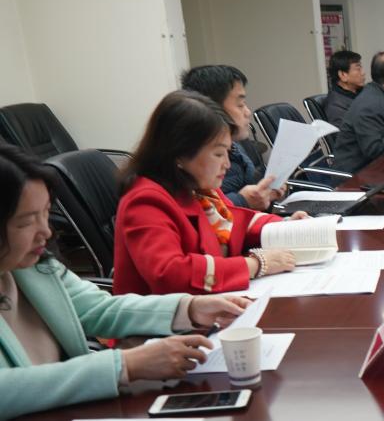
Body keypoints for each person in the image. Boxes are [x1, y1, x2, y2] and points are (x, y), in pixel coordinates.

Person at [0, 143, 252, 417]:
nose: (46, 232)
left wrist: (189, 308)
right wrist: (124, 365)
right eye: (26, 222)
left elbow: (98, 308)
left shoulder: (32, 265)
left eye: (46, 213)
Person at [114, 91, 301, 296]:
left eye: (227, 152)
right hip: (165, 314)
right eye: (218, 154)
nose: (227, 164)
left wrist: (286, 227)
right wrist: (256, 264)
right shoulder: (145, 201)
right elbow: (170, 274)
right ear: (180, 154)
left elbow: (236, 222)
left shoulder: (199, 187)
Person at [180, 65, 283, 211]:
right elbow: (203, 211)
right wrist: (243, 201)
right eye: (240, 105)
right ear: (212, 108)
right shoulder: (200, 161)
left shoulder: (238, 146)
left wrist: (266, 193)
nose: (247, 112)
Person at [324, 50, 365, 128]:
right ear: (343, 75)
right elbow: (345, 134)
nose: (363, 73)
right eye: (358, 68)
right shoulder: (336, 107)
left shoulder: (363, 92)